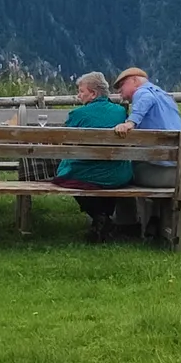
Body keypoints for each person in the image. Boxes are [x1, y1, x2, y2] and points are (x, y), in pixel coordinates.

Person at [52, 71, 132, 242]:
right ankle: (104, 219)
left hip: (89, 175)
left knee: (66, 176)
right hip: (119, 175)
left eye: (81, 91)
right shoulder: (120, 112)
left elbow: (64, 142)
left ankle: (99, 217)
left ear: (93, 93)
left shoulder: (78, 114)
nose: (78, 95)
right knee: (104, 172)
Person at [111, 67, 181, 238]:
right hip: (180, 171)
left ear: (135, 81)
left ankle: (127, 225)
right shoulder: (166, 97)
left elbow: (145, 99)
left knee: (121, 172)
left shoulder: (143, 93)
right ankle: (154, 217)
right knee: (143, 163)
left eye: (122, 87)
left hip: (160, 175)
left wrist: (131, 122)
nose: (121, 94)